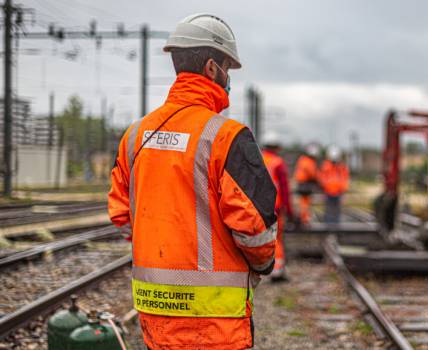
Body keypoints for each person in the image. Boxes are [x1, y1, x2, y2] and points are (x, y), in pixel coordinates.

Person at [108, 14, 277, 350]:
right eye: (228, 68)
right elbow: (254, 231)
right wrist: (264, 263)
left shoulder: (135, 137)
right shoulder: (227, 137)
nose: (228, 78)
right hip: (214, 321)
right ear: (213, 68)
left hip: (155, 314)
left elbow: (122, 214)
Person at [261, 132, 293, 282]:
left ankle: (262, 268)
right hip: (276, 206)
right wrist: (290, 210)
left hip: (259, 205)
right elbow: (285, 188)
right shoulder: (278, 162)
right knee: (277, 238)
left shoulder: (258, 158)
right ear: (277, 147)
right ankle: (277, 270)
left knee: (260, 237)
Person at [319, 145, 350, 224]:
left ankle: (336, 229)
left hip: (338, 193)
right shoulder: (325, 166)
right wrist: (323, 190)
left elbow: (345, 180)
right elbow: (322, 178)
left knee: (336, 212)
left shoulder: (342, 167)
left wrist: (343, 192)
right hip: (328, 192)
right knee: (328, 211)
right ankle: (328, 229)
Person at [294, 143, 320, 225]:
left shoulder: (302, 159)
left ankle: (303, 217)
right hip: (305, 184)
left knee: (303, 202)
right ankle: (304, 218)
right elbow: (312, 174)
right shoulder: (310, 162)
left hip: (300, 183)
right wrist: (318, 181)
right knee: (305, 202)